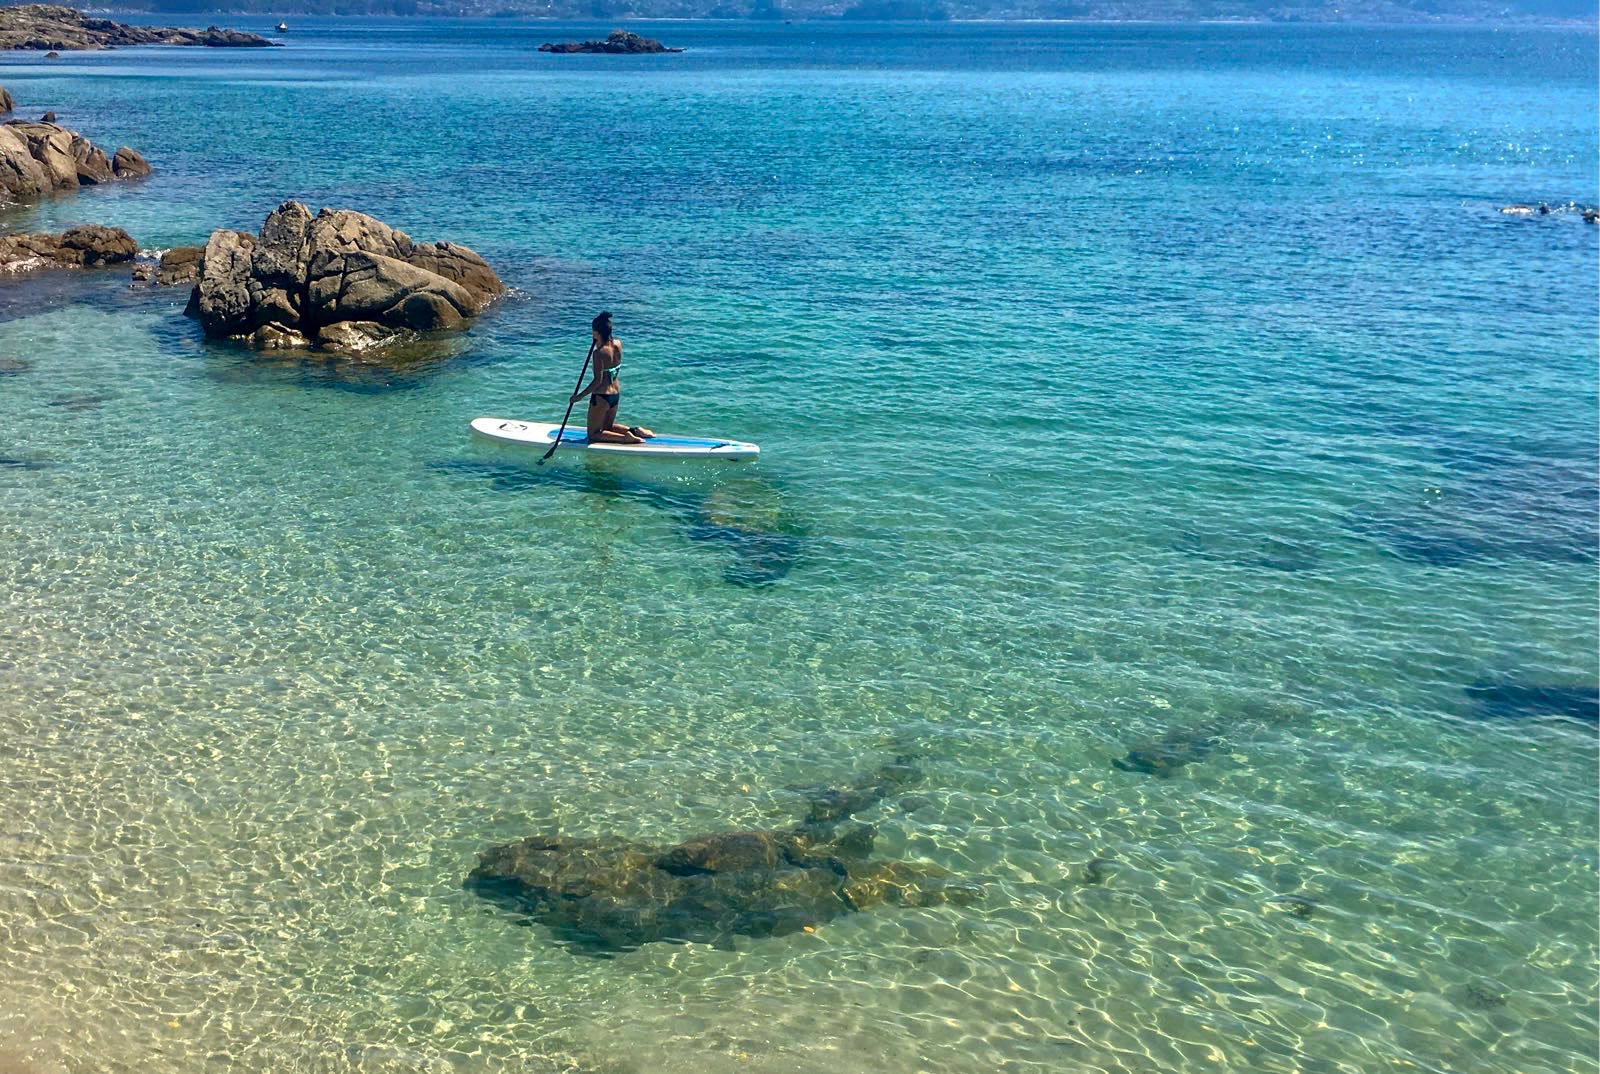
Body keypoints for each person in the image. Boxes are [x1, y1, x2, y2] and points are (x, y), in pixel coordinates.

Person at [572, 311, 654, 444]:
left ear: (597, 332)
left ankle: (625, 438)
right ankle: (636, 430)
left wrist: (579, 397)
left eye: (593, 331)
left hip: (602, 396)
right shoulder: (618, 344)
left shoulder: (598, 353)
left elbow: (597, 381)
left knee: (593, 434)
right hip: (615, 394)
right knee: (607, 428)